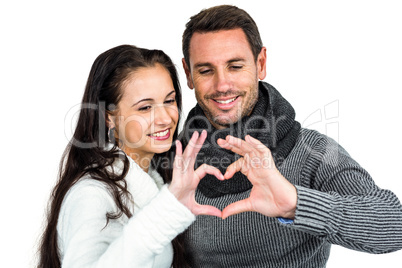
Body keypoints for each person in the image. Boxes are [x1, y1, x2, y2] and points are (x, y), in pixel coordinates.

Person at [179, 5, 402, 267]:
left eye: (235, 66)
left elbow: (393, 226)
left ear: (260, 64)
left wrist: (294, 204)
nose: (222, 85)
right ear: (188, 73)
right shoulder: (172, 158)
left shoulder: (313, 152)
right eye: (206, 71)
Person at [38, 45, 224, 268]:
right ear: (109, 118)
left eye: (169, 100)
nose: (165, 118)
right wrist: (169, 211)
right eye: (145, 108)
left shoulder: (159, 178)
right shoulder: (92, 194)